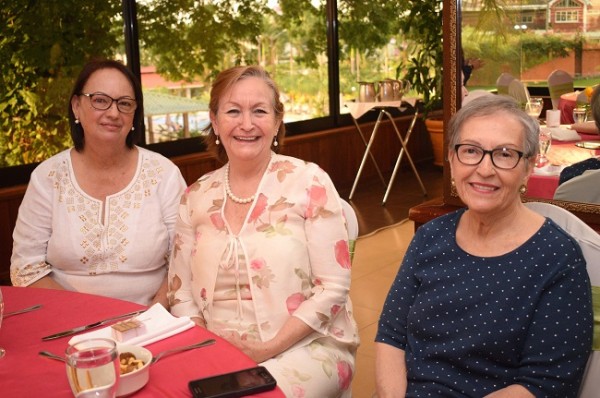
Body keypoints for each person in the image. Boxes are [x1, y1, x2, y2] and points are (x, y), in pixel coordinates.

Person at [375, 95, 593, 397]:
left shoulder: (557, 258)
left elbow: (546, 383)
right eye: (470, 151)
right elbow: (391, 336)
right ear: (452, 159)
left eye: (504, 154)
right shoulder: (430, 237)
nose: (484, 168)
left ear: (528, 166)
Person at [168, 65, 359, 396]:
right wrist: (205, 344)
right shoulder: (196, 196)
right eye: (233, 111)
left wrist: (266, 349)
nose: (246, 124)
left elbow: (333, 287)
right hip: (213, 345)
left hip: (305, 343)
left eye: (259, 111)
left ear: (277, 120)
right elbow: (180, 291)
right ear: (214, 121)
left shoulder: (309, 181)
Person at [10, 59, 186, 306]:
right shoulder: (48, 177)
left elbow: (184, 258)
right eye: (100, 100)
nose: (113, 113)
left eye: (124, 103)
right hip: (65, 319)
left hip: (150, 319)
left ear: (134, 113)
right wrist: (87, 316)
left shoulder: (163, 174)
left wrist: (155, 316)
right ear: (76, 107)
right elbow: (25, 267)